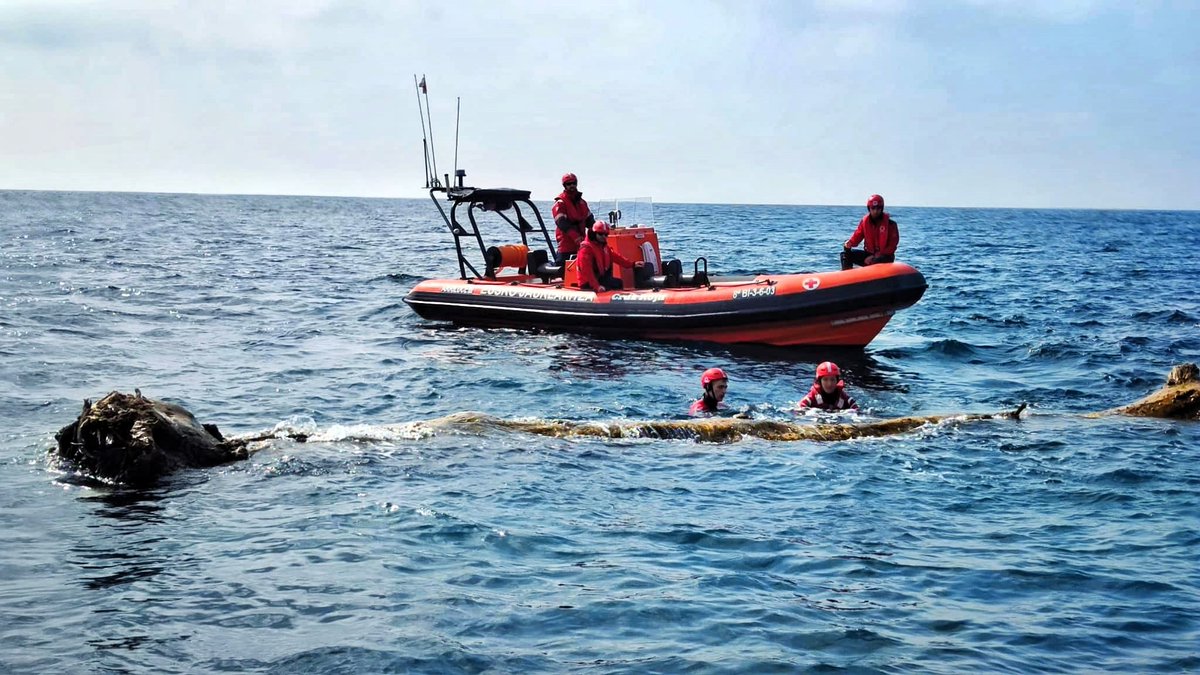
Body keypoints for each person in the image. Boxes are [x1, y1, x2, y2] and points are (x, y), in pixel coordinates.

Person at [576, 221, 642, 292]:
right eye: (601, 234)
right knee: (614, 284)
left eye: (606, 234)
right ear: (594, 233)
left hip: (600, 279)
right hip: (588, 283)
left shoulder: (603, 246)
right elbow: (586, 271)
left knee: (618, 283)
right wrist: (596, 286)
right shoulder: (586, 249)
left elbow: (617, 258)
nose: (604, 237)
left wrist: (632, 264)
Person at [842, 194, 899, 270]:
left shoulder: (891, 225)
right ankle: (847, 277)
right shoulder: (864, 222)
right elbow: (857, 236)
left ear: (882, 209)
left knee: (876, 260)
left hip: (885, 257)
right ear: (869, 209)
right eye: (873, 208)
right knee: (845, 254)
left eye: (878, 208)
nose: (876, 211)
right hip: (869, 255)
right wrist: (850, 243)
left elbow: (892, 247)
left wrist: (876, 256)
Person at [550, 172, 593, 262]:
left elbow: (590, 222)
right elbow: (562, 223)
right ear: (564, 186)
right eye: (569, 184)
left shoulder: (582, 203)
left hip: (582, 244)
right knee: (562, 270)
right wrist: (576, 237)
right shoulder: (560, 203)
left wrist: (601, 233)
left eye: (574, 183)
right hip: (566, 245)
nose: (572, 185)